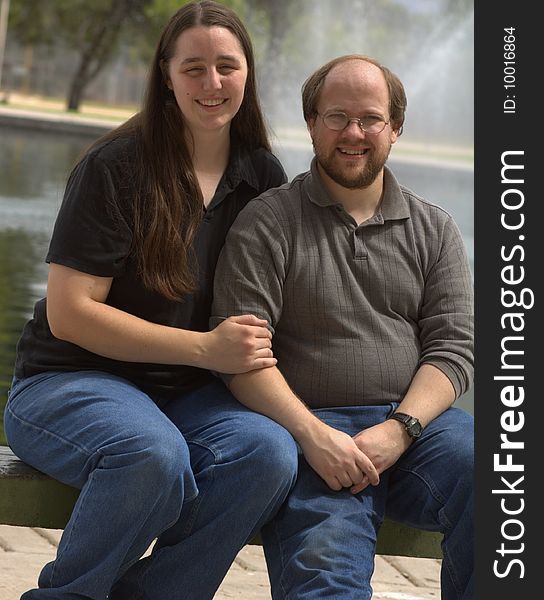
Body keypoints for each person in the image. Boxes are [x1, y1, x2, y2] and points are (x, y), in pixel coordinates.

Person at [3, 2, 299, 598]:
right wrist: (206, 349)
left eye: (226, 66)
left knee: (267, 453)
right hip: (69, 383)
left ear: (248, 74)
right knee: (151, 454)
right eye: (193, 68)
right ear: (165, 74)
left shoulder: (262, 176)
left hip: (184, 396)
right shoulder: (116, 166)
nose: (212, 83)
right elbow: (70, 313)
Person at [211, 54, 474, 600]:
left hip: (419, 434)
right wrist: (315, 436)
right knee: (326, 578)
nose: (353, 133)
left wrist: (399, 430)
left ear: (394, 129)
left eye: (370, 119)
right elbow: (242, 359)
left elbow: (453, 352)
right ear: (311, 123)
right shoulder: (267, 222)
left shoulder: (435, 229)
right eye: (336, 117)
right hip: (312, 435)